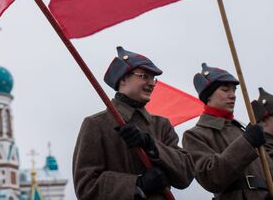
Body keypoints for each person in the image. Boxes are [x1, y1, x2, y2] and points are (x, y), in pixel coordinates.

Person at [72, 47, 194, 199]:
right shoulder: (96, 124)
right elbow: (85, 187)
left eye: (153, 79)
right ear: (123, 79)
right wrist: (138, 185)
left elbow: (186, 174)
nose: (152, 84)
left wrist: (152, 146)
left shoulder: (161, 125)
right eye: (144, 76)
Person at [182, 63, 273, 200]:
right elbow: (211, 178)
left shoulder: (244, 131)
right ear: (208, 96)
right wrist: (246, 143)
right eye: (225, 90)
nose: (233, 95)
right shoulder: (195, 135)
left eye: (234, 90)